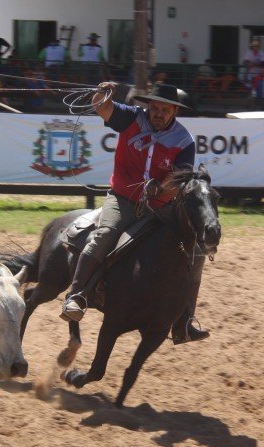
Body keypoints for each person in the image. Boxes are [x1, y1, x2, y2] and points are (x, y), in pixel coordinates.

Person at [60, 82, 210, 345]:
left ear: (175, 110)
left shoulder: (184, 141)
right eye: (155, 108)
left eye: (165, 109)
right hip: (122, 200)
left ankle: (184, 322)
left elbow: (180, 179)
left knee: (195, 251)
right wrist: (102, 92)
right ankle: (76, 295)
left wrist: (160, 189)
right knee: (105, 233)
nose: (159, 113)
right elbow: (101, 108)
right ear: (148, 106)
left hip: (160, 208)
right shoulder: (131, 118)